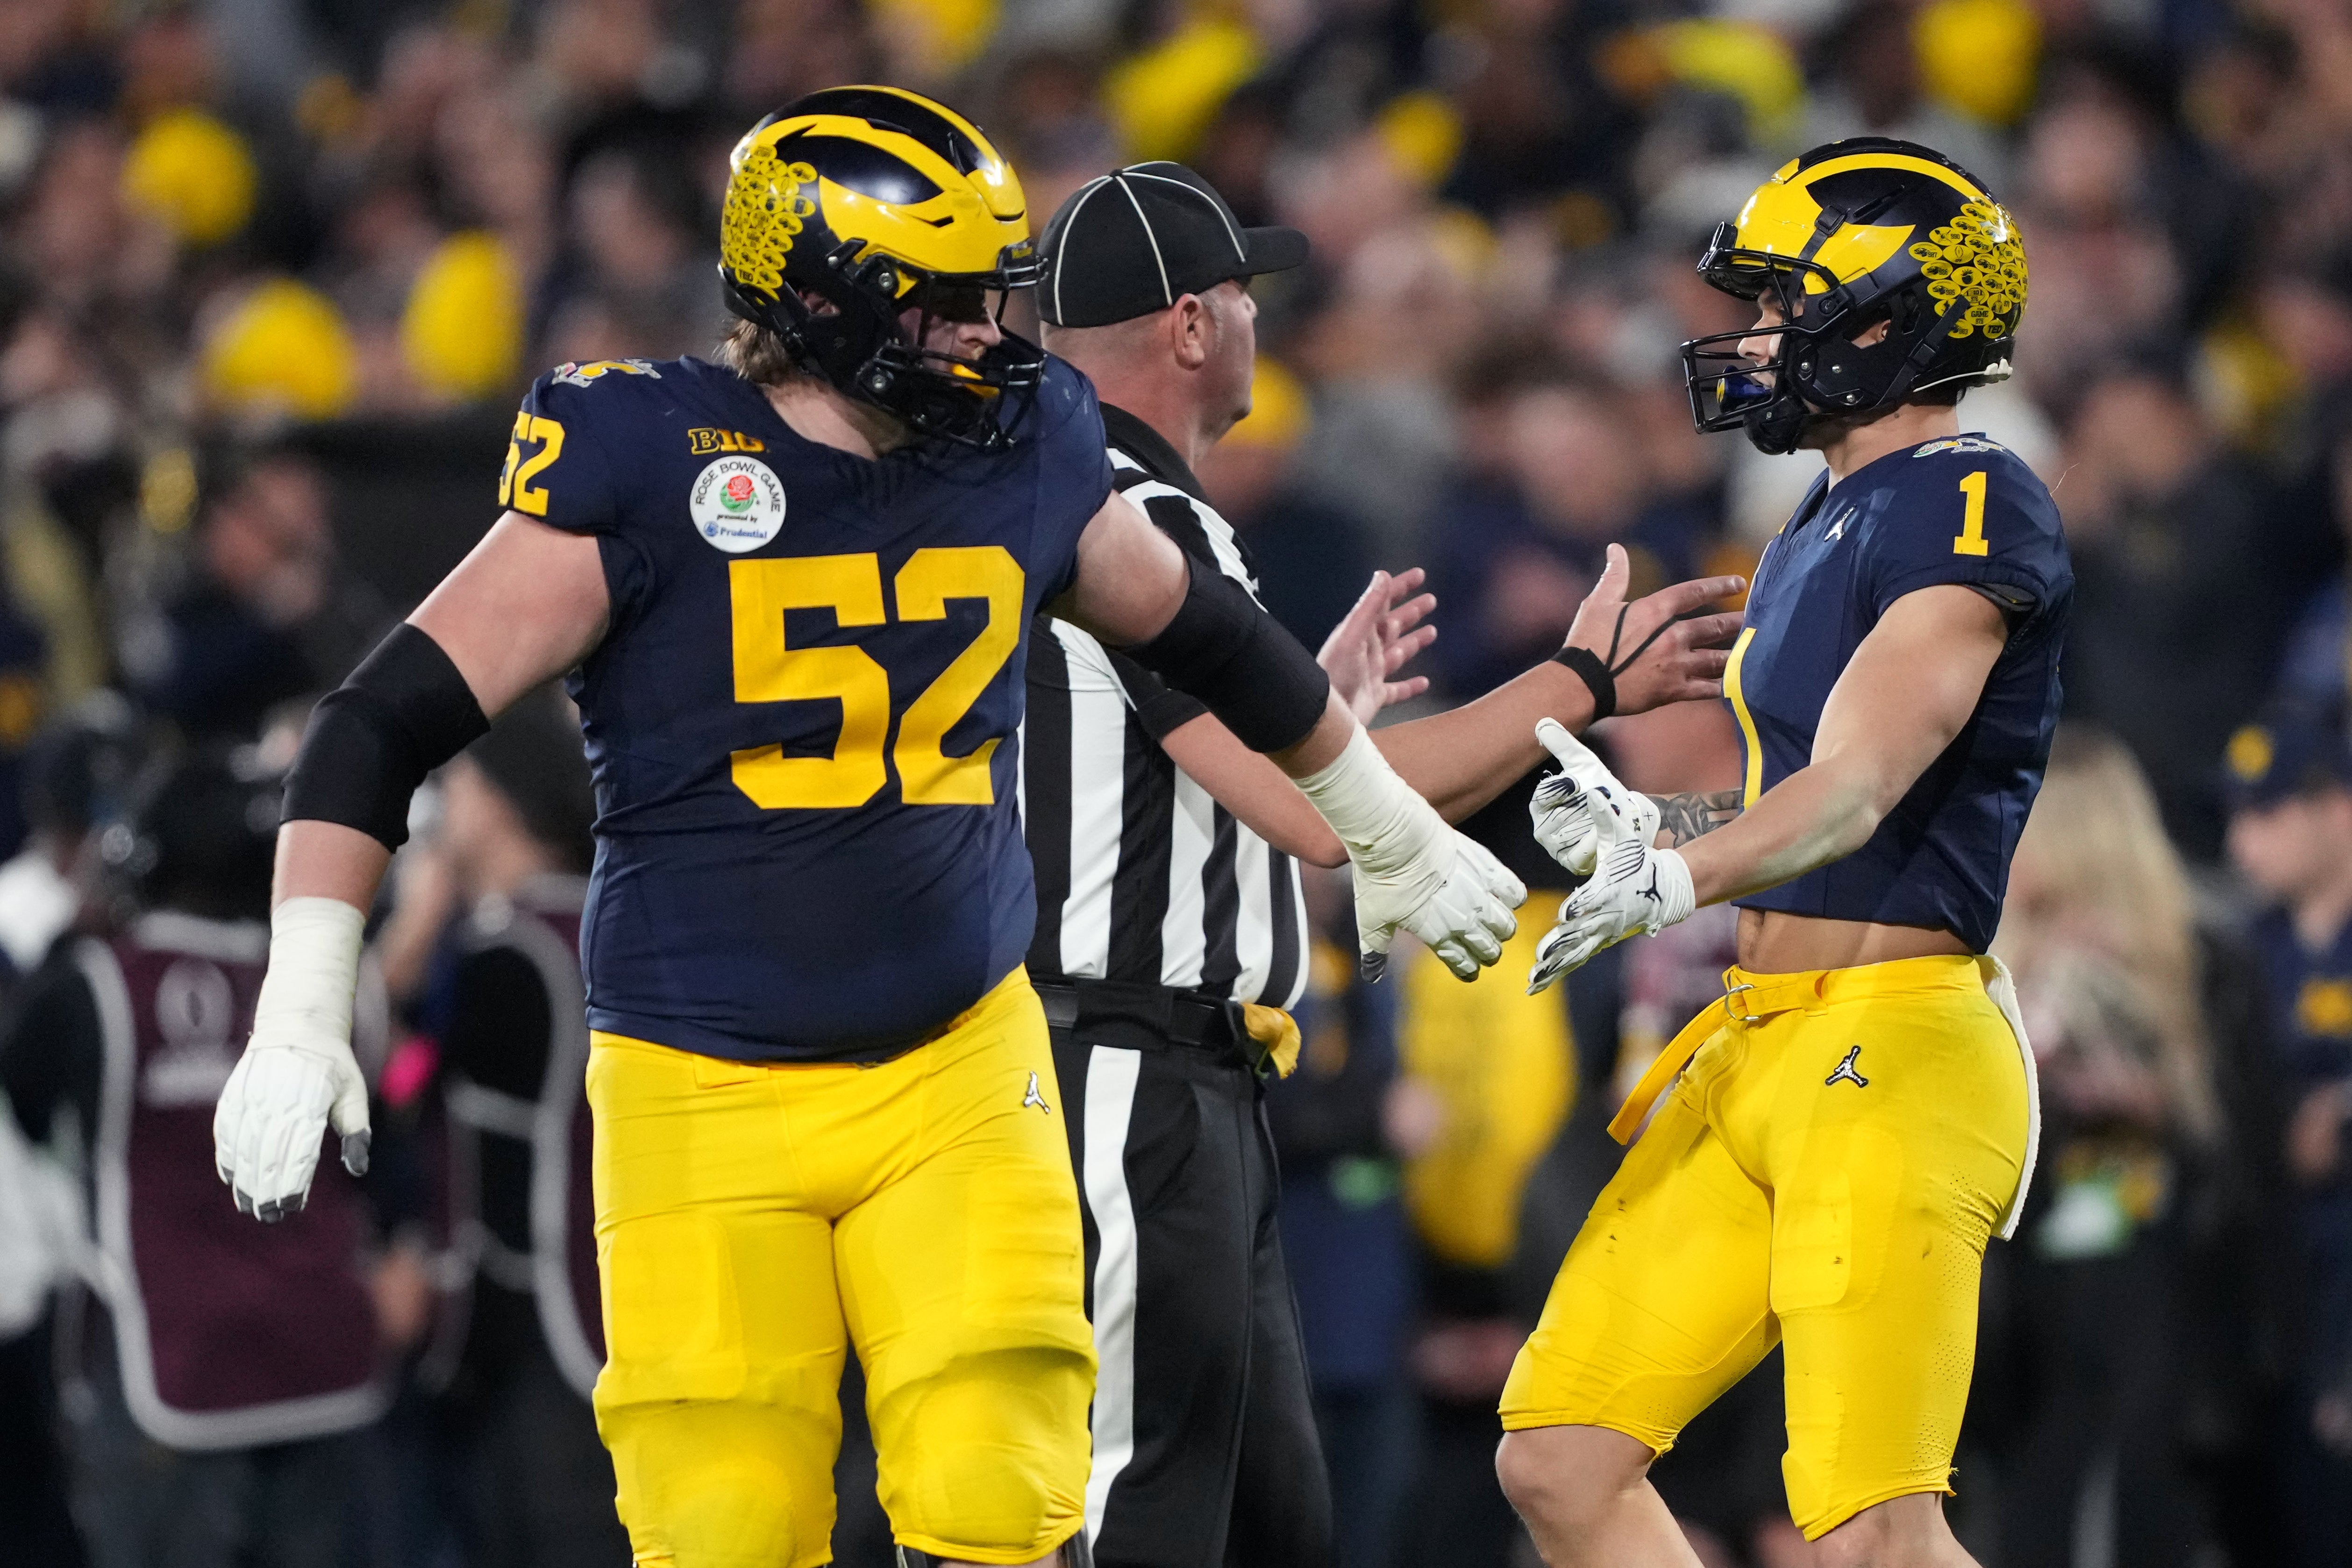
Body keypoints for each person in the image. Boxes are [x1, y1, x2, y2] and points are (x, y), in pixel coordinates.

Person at [210, 86, 1525, 1568]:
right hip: (700, 1075)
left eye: (992, 292)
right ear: (825, 301)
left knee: (997, 1492)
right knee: (722, 1520)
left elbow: (1212, 636)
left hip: (958, 1062)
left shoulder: (1025, 443)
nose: (989, 331)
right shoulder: (646, 454)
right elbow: (377, 722)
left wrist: (1380, 821)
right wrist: (305, 1000)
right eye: (948, 300)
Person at [1024, 160, 1745, 1568]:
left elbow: (1257, 785)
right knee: (1139, 1509)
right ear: (1186, 328)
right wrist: (1581, 682)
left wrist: (1318, 711)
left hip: (1188, 1079)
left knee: (1264, 1520)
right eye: (1242, 298)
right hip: (1121, 1066)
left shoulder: (1137, 508)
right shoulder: (1135, 519)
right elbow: (1326, 813)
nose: (1257, 327)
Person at [1491, 139, 2071, 1565]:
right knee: (1561, 1458)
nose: (1753, 336)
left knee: (1876, 1531)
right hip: (1758, 1036)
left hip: (1893, 1050)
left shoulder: (1967, 495)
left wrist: (1672, 873)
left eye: (1776, 301)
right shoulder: (1826, 511)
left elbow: (1859, 786)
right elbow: (1798, 810)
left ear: (1883, 317)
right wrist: (1663, 829)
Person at [0, 747, 391, 1568]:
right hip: (328, 1357)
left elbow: (28, 1108)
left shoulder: (97, 985)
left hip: (168, 1368)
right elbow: (381, 1147)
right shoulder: (347, 986)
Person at [401, 686, 626, 1568]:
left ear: (497, 801)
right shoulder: (609, 921)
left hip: (539, 1336)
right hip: (629, 1312)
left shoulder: (507, 951)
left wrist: (414, 937)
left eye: (455, 786)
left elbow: (392, 1077)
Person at [2224, 705, 2352, 1563]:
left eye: (2266, 814)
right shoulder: (2244, 954)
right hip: (2273, 1309)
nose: (2242, 842)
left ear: (2336, 811)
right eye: (2235, 817)